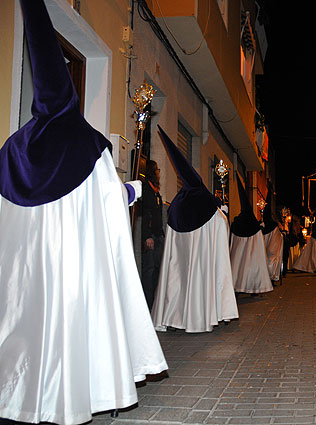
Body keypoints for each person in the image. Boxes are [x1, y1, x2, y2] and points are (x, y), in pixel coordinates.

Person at [0, 1, 167, 422]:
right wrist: (131, 190)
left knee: (26, 322)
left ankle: (16, 395)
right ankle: (71, 394)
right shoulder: (86, 141)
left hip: (24, 269)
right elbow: (110, 200)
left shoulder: (14, 148)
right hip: (70, 261)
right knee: (69, 322)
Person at [151, 127, 238, 332]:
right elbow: (220, 233)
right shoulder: (208, 205)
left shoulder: (177, 204)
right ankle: (202, 314)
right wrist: (223, 215)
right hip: (201, 259)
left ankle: (173, 315)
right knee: (197, 275)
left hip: (180, 258)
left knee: (176, 277)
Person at [229, 173, 273, 294]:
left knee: (237, 266)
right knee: (251, 267)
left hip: (238, 255)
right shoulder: (254, 224)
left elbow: (232, 244)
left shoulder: (236, 222)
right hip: (253, 254)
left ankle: (236, 285)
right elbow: (259, 249)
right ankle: (254, 286)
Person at [141, 158, 165, 310]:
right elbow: (145, 214)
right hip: (151, 236)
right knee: (149, 270)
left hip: (158, 235)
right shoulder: (146, 190)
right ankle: (148, 304)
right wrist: (147, 235)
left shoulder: (155, 191)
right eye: (157, 169)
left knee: (156, 268)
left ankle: (154, 303)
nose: (159, 172)